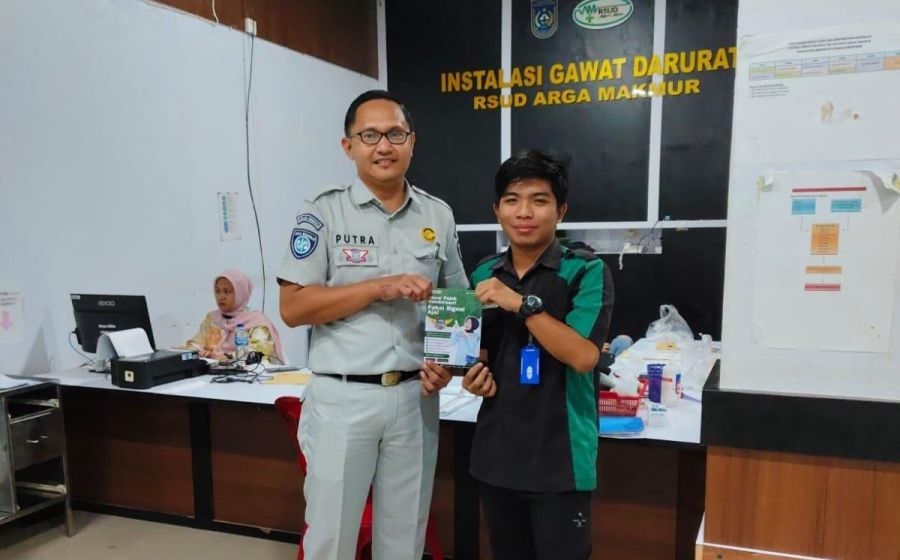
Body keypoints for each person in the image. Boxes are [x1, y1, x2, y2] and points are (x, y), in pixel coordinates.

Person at [277, 90, 468, 560]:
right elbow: (293, 307)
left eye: (395, 134)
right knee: (331, 538)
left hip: (415, 400)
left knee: (405, 539)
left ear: (412, 142)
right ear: (349, 147)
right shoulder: (322, 211)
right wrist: (378, 287)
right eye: (370, 136)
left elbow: (456, 303)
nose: (383, 146)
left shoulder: (437, 215)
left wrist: (447, 365)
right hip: (343, 399)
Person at [462, 149, 614, 560]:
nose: (524, 212)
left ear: (560, 210)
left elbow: (583, 356)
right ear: (497, 210)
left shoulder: (585, 270)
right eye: (512, 200)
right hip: (496, 456)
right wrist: (473, 376)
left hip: (560, 459)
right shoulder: (484, 274)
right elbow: (479, 352)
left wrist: (520, 304)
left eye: (539, 200)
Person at [186, 269, 284, 363]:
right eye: (217, 291)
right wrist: (200, 352)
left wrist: (228, 357)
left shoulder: (257, 321)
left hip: (245, 372)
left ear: (240, 293)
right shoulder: (212, 319)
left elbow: (259, 353)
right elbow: (195, 344)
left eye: (227, 291)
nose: (221, 297)